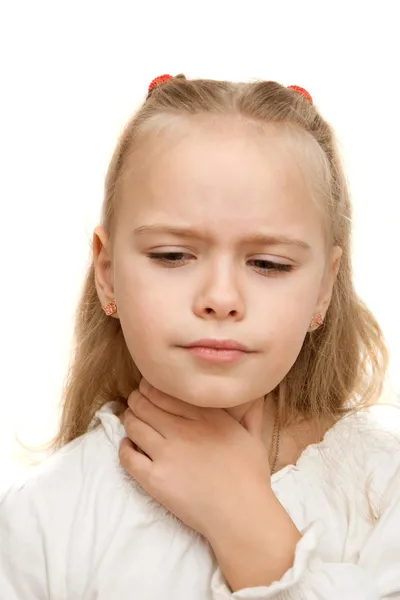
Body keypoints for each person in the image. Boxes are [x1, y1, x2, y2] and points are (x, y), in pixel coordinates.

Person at [1, 73, 399, 599]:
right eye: (172, 256)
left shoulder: (383, 489)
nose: (220, 297)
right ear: (106, 272)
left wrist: (246, 523)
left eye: (268, 263)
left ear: (324, 288)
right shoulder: (45, 516)